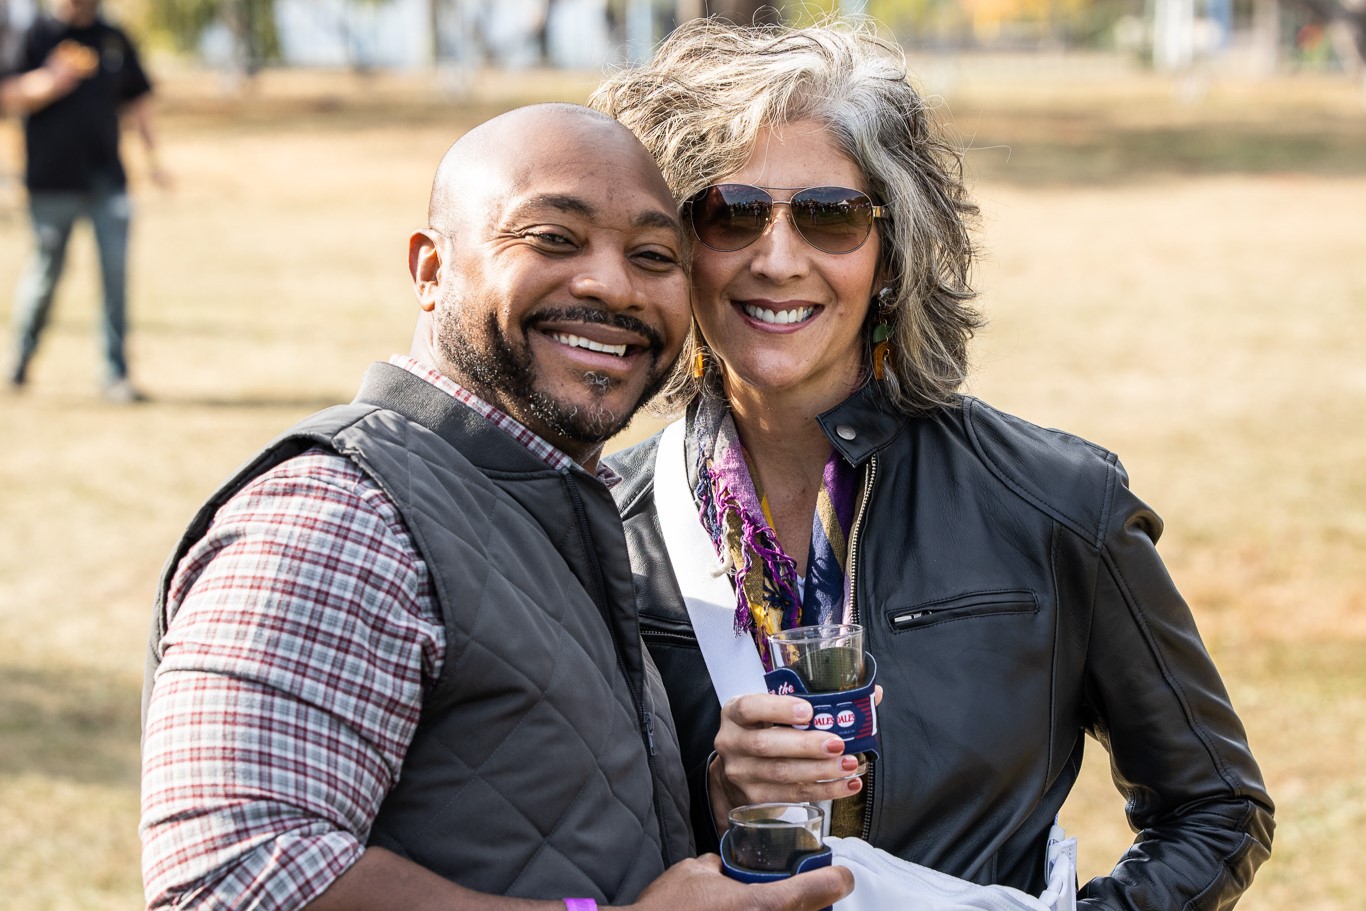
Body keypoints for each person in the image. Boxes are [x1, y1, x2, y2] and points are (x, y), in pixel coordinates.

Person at [591, 18, 1275, 909]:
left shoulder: (1057, 504)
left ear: (890, 253)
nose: (778, 257)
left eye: (831, 216)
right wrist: (709, 802)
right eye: (733, 213)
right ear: (679, 249)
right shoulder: (601, 529)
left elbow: (1218, 806)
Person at [139, 103, 852, 911]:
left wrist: (719, 806)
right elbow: (232, 877)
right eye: (552, 238)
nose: (611, 285)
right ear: (430, 269)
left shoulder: (565, 511)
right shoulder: (340, 513)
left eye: (654, 255)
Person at [4, 0, 166, 402]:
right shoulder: (36, 35)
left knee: (115, 277)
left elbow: (139, 100)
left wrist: (154, 159)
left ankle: (116, 374)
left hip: (107, 179)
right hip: (51, 180)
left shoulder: (113, 39)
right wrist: (51, 80)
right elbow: (8, 95)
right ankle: (19, 362)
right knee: (46, 274)